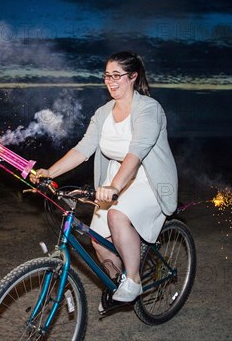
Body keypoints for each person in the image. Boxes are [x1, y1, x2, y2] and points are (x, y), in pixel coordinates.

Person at [30, 51, 178, 303]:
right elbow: (83, 148)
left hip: (148, 180)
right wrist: (49, 172)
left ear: (133, 76)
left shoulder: (149, 109)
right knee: (97, 239)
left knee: (116, 216)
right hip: (115, 180)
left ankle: (133, 280)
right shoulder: (103, 113)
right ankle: (117, 279)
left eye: (117, 75)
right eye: (107, 75)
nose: (111, 81)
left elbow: (137, 152)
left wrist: (114, 187)